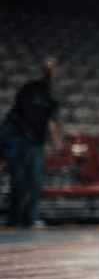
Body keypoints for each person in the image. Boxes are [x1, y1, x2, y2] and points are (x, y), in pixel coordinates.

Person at [1, 58, 64, 228]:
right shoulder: (29, 89)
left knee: (35, 181)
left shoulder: (52, 98)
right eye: (47, 68)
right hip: (16, 138)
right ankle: (14, 217)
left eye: (53, 68)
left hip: (34, 142)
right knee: (19, 181)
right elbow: (18, 112)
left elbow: (51, 122)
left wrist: (56, 142)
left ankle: (30, 215)